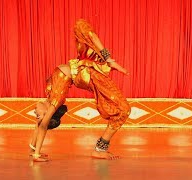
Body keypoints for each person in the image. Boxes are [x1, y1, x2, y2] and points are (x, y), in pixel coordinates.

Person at [30, 19, 131, 162]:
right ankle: (100, 149)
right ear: (48, 115)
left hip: (85, 67)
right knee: (124, 109)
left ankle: (107, 60)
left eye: (37, 116)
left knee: (80, 25)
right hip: (88, 74)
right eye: (39, 115)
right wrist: (36, 155)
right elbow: (42, 126)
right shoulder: (56, 100)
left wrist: (32, 149)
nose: (36, 114)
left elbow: (39, 126)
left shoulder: (49, 96)